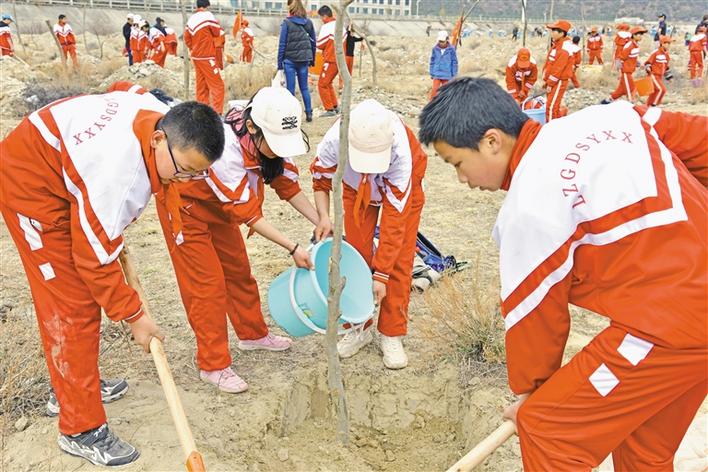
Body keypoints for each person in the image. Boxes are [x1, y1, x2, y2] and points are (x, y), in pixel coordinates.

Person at [418, 75, 707, 472]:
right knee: (643, 445)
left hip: (670, 327)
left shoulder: (530, 206)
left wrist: (533, 393)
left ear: (491, 141)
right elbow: (700, 140)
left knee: (549, 431)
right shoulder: (614, 117)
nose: (463, 181)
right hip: (683, 321)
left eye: (457, 164)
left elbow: (535, 316)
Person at [0, 83, 225, 467]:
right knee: (71, 306)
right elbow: (92, 260)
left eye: (196, 174)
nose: (184, 180)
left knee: (83, 296)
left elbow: (125, 87)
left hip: (65, 171)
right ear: (159, 139)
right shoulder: (119, 175)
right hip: (30, 184)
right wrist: (135, 316)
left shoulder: (160, 113)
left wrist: (108, 234)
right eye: (184, 171)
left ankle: (73, 386)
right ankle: (79, 428)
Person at [156, 87, 317, 393]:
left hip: (221, 210)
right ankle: (213, 364)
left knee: (238, 271)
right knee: (207, 286)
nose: (279, 149)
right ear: (253, 127)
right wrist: (293, 248)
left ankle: (252, 334)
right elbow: (250, 216)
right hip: (186, 209)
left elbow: (287, 186)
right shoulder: (227, 150)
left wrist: (321, 220)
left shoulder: (270, 137)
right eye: (275, 143)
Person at [311, 99, 427, 369]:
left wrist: (382, 274)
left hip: (403, 188)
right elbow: (320, 181)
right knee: (356, 255)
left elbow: (394, 224)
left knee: (399, 259)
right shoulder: (334, 141)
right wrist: (324, 216)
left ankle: (392, 332)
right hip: (355, 188)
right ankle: (358, 326)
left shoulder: (401, 154)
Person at [277, 0, 316, 122]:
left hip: (290, 60)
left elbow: (282, 45)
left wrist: (279, 64)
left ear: (291, 10)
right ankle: (309, 113)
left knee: (290, 89)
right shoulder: (308, 22)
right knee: (304, 88)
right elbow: (313, 42)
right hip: (304, 60)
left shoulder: (287, 23)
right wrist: (312, 59)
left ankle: (292, 115)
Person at [185, 0, 225, 114]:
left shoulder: (191, 19)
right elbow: (216, 32)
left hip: (196, 57)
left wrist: (194, 48)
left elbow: (187, 39)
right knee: (218, 86)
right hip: (207, 56)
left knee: (201, 87)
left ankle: (201, 113)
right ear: (207, 6)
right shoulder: (208, 16)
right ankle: (217, 113)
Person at [603, 26, 647, 103]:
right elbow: (621, 57)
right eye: (639, 34)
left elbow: (632, 58)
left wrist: (639, 64)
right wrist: (619, 68)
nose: (641, 36)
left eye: (641, 34)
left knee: (620, 91)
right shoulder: (630, 45)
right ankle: (630, 104)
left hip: (630, 71)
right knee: (631, 89)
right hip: (626, 72)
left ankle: (605, 102)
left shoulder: (635, 45)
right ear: (634, 35)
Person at [543, 20, 574, 122]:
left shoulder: (564, 48)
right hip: (552, 81)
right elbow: (550, 63)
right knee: (553, 106)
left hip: (558, 81)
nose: (551, 33)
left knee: (551, 107)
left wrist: (550, 83)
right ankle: (559, 124)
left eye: (554, 31)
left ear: (561, 33)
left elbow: (558, 69)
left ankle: (550, 129)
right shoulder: (556, 45)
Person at [316, 5, 339, 117]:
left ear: (325, 16)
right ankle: (335, 106)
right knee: (328, 83)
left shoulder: (327, 27)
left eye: (321, 17)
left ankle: (329, 109)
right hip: (339, 60)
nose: (321, 20)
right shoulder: (339, 24)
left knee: (322, 84)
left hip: (331, 59)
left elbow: (320, 44)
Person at [429, 30, 458, 100]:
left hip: (447, 74)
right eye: (440, 41)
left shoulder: (451, 49)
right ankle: (432, 104)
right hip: (437, 73)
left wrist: (454, 74)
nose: (441, 43)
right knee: (434, 90)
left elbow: (454, 62)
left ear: (447, 39)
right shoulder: (435, 49)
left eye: (442, 41)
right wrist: (432, 72)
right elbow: (432, 61)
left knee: (446, 92)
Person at [645, 35, 672, 106]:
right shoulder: (655, 53)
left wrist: (669, 77)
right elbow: (648, 62)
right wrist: (648, 68)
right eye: (665, 43)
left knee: (654, 92)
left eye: (669, 43)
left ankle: (647, 106)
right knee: (661, 90)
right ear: (661, 43)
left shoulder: (667, 55)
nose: (667, 45)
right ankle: (654, 105)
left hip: (660, 77)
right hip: (653, 75)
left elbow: (666, 67)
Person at [340, 23, 363, 89]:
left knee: (350, 71)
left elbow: (360, 39)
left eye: (353, 32)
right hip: (346, 56)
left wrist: (362, 36)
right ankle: (341, 84)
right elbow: (347, 31)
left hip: (351, 56)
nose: (353, 33)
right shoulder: (347, 37)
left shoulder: (353, 38)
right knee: (344, 70)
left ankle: (348, 84)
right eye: (352, 32)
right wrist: (350, 25)